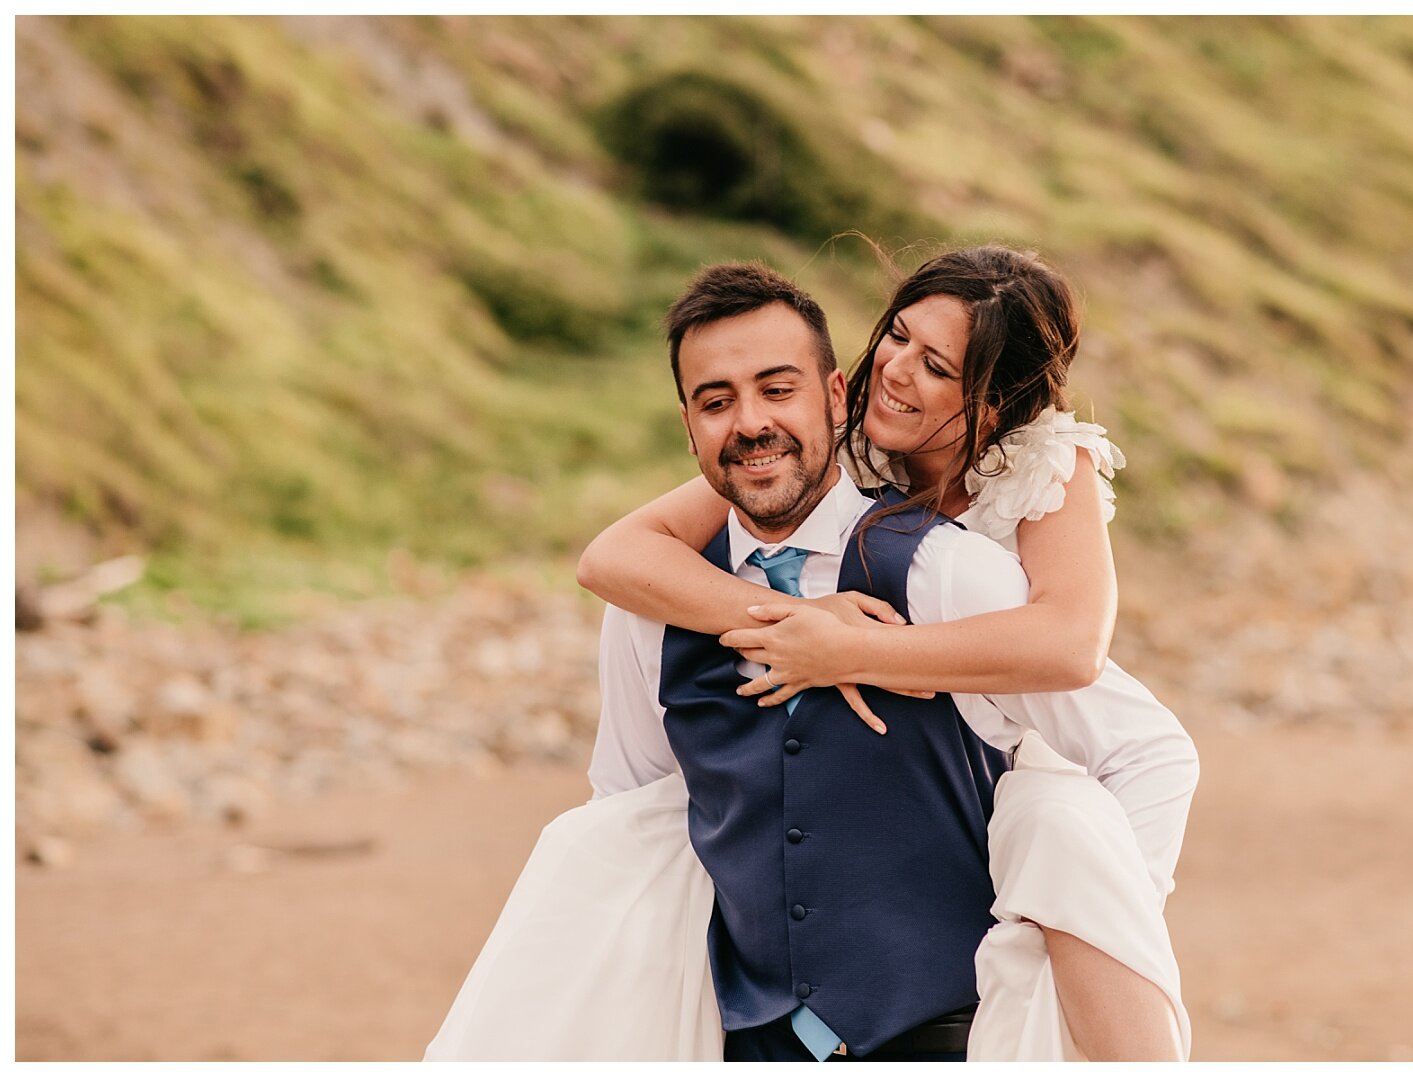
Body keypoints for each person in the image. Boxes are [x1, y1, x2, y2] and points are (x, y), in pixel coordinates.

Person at [426, 258, 1197, 1062]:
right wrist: (794, 621)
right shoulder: (791, 479)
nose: (897, 368)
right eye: (896, 336)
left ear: (985, 404)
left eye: (936, 366)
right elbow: (629, 788)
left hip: (957, 966)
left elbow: (1078, 653)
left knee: (1060, 831)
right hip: (750, 1031)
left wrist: (1109, 921)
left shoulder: (997, 524)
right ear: (687, 424)